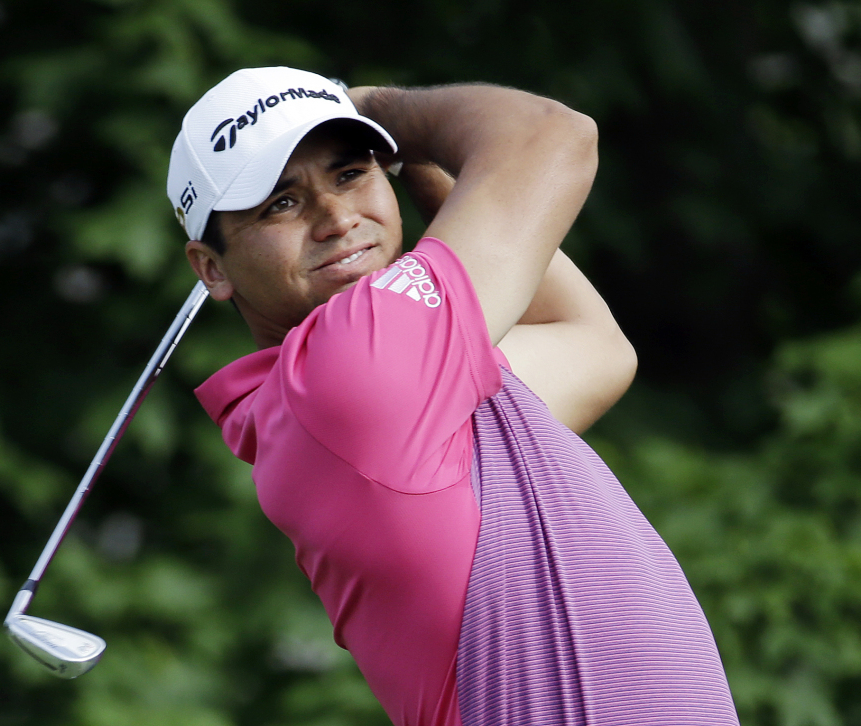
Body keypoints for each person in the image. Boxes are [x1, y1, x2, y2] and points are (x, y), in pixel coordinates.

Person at [166, 66, 738, 726]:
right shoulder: (343, 370)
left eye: (351, 172)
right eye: (281, 204)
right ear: (211, 267)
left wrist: (424, 171)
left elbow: (591, 347)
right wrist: (385, 108)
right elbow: (552, 134)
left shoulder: (394, 382)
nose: (337, 218)